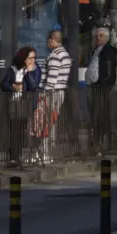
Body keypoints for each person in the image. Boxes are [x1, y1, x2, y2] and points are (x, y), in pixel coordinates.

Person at [0, 47, 41, 165]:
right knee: (13, 129)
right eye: (30, 58)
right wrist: (13, 88)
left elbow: (33, 86)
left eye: (34, 58)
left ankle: (21, 154)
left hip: (26, 102)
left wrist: (28, 73)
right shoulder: (13, 69)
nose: (32, 60)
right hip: (13, 102)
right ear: (23, 58)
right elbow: (4, 84)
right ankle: (13, 157)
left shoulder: (36, 70)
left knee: (22, 130)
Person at [37, 30, 72, 162]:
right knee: (52, 121)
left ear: (52, 39)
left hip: (51, 92)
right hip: (60, 91)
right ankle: (50, 150)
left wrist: (43, 93)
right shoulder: (65, 54)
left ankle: (45, 152)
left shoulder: (54, 55)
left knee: (45, 122)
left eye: (48, 40)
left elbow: (51, 78)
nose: (47, 43)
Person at [86, 28, 117, 151]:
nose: (97, 38)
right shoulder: (97, 50)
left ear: (106, 37)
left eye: (100, 36)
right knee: (95, 113)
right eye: (96, 36)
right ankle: (96, 140)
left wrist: (102, 85)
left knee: (100, 114)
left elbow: (109, 73)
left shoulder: (108, 51)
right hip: (94, 86)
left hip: (101, 87)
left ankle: (101, 141)